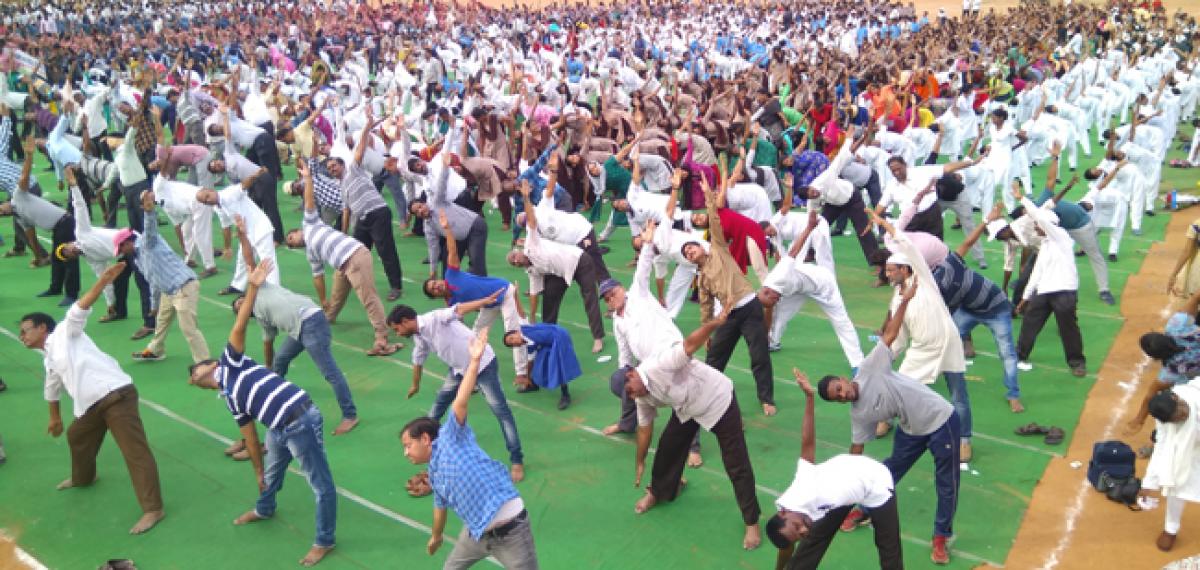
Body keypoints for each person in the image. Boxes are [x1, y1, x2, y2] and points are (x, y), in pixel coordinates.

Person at [186, 259, 336, 567]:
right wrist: (255, 471)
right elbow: (250, 438)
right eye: (192, 375)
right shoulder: (229, 398)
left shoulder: (231, 361)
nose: (193, 373)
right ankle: (265, 508)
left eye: (195, 368)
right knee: (270, 473)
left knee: (320, 484)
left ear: (210, 365)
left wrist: (252, 287)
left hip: (300, 418)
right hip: (278, 428)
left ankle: (324, 540)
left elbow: (240, 323)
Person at [813, 280, 961, 565]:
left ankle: (941, 536)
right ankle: (865, 510)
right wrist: (846, 485)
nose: (844, 395)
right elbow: (856, 451)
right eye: (838, 398)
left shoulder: (869, 368)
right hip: (911, 429)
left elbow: (891, 333)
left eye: (840, 388)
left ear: (843, 380)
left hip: (941, 419)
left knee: (947, 482)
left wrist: (904, 299)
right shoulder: (858, 413)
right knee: (888, 471)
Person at [18, 262, 165, 535]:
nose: (22, 336)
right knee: (76, 436)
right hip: (91, 407)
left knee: (135, 452)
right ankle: (84, 478)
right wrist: (55, 418)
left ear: (42, 328)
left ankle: (153, 508)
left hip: (116, 396)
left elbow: (79, 308)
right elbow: (51, 388)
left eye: (26, 330)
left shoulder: (64, 331)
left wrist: (103, 281)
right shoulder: (49, 357)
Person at [399, 328, 540, 569]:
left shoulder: (450, 437)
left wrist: (474, 360)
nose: (406, 453)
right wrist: (436, 536)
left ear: (424, 439)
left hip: (511, 531)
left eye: (408, 445)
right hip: (476, 533)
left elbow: (460, 401)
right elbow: (439, 508)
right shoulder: (434, 473)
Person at [625, 307, 763, 550]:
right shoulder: (640, 397)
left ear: (632, 374)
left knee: (736, 463)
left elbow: (689, 345)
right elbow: (645, 429)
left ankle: (751, 522)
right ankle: (659, 491)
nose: (632, 394)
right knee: (668, 447)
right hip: (687, 408)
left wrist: (715, 323)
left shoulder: (659, 364)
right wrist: (640, 461)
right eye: (628, 395)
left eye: (630, 389)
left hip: (717, 399)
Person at [231, 220, 360, 436]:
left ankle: (350, 415)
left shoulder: (259, 287)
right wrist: (269, 368)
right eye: (238, 308)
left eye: (239, 301)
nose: (240, 304)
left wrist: (243, 235)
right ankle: (275, 403)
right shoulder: (262, 318)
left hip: (311, 320)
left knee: (330, 372)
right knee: (280, 361)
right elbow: (268, 343)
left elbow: (248, 258)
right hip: (299, 330)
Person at [765, 369, 901, 570]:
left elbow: (807, 444)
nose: (803, 528)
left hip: (874, 481)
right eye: (799, 532)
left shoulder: (804, 488)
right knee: (810, 543)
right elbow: (787, 544)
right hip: (839, 492)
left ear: (784, 513)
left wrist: (810, 398)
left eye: (797, 526)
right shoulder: (790, 521)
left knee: (888, 546)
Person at [388, 291, 526, 481]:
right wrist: (415, 385)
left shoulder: (435, 318)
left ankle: (517, 460)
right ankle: (431, 455)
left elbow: (459, 309)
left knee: (501, 411)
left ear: (405, 321)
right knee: (435, 411)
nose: (398, 333)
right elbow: (418, 360)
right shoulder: (419, 336)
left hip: (483, 364)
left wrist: (484, 301)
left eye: (397, 329)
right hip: (459, 369)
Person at [287, 159, 399, 356]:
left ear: (297, 230)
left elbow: (310, 200)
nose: (292, 242)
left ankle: (381, 336)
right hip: (342, 265)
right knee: (336, 296)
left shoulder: (310, 223)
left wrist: (307, 178)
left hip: (355, 255)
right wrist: (322, 299)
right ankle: (327, 317)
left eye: (291, 237)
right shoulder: (310, 253)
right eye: (290, 244)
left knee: (368, 297)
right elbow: (317, 277)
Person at [684, 179, 777, 416]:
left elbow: (714, 219)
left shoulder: (718, 248)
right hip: (728, 316)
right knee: (714, 358)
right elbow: (705, 308)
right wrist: (706, 331)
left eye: (692, 248)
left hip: (749, 307)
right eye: (686, 254)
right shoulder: (702, 279)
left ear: (702, 248)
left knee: (759, 355)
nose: (690, 252)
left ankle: (766, 399)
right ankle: (707, 397)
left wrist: (707, 195)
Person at [507, 180, 606, 354]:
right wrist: (531, 317)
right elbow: (534, 293)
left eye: (514, 256)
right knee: (549, 301)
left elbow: (531, 220)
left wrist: (525, 197)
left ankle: (598, 338)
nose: (516, 261)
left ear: (519, 250)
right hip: (559, 272)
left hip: (579, 261)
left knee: (589, 296)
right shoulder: (532, 271)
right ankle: (547, 337)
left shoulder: (531, 242)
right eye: (513, 263)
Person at [758, 208, 863, 365]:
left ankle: (858, 363)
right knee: (779, 313)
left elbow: (794, 250)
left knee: (841, 322)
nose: (775, 301)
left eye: (773, 300)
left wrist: (809, 227)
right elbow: (768, 311)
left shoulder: (779, 275)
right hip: (797, 288)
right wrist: (763, 336)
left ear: (768, 292)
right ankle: (772, 342)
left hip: (822, 285)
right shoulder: (767, 295)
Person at [118, 190, 211, 364]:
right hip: (169, 290)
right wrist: (154, 305)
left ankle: (204, 362)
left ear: (128, 242)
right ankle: (156, 350)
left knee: (189, 329)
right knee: (161, 321)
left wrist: (148, 211)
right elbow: (154, 281)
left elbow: (150, 227)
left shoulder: (147, 242)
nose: (120, 253)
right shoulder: (138, 258)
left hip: (184, 286)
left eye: (120, 248)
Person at [327, 109, 403, 301]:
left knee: (385, 249)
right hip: (362, 219)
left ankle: (396, 286)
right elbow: (346, 210)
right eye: (329, 168)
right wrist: (344, 233)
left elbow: (360, 148)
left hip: (377, 212)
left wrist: (368, 126)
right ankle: (352, 281)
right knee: (355, 250)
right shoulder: (341, 186)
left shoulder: (354, 168)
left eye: (334, 166)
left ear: (342, 165)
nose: (332, 169)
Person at [1141, 383, 1200, 553]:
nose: (1181, 417)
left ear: (1176, 398)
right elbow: (1162, 446)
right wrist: (1148, 483)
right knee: (1173, 480)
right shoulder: (1164, 418)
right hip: (1190, 449)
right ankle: (1171, 528)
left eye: (1180, 413)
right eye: (1176, 419)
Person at [503, 323, 581, 410]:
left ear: (517, 332)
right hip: (552, 336)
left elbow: (530, 363)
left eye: (512, 338)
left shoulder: (529, 340)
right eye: (512, 344)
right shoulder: (524, 331)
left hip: (560, 337)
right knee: (541, 358)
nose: (514, 341)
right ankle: (533, 384)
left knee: (557, 365)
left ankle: (565, 395)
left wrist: (527, 378)